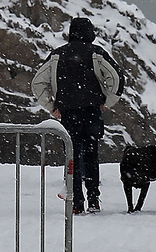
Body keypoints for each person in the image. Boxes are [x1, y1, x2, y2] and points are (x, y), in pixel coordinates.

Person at [32, 17, 123, 214]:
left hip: (68, 113)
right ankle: (93, 198)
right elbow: (116, 78)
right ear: (90, 32)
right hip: (92, 111)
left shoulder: (57, 55)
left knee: (72, 156)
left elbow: (38, 83)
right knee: (91, 154)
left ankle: (76, 201)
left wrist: (51, 106)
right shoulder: (97, 53)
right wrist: (106, 102)